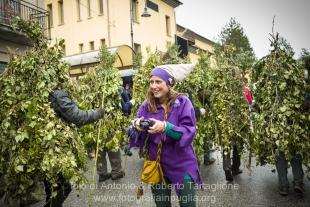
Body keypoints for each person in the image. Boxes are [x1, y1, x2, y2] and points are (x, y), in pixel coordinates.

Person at [127, 63, 203, 207]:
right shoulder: (146, 105)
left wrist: (166, 127)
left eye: (158, 82)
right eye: (151, 82)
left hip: (182, 161)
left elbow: (189, 131)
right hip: (157, 162)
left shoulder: (183, 102)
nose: (154, 86)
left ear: (169, 83)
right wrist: (135, 125)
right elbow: (131, 132)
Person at [46, 89, 105, 207]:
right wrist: (98, 113)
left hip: (48, 145)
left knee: (52, 184)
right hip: (57, 147)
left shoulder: (46, 91)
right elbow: (78, 117)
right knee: (63, 188)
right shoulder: (57, 94)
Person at [96, 86, 134, 182]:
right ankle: (116, 172)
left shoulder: (93, 89)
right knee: (113, 149)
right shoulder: (117, 89)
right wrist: (131, 103)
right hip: (110, 124)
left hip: (94, 126)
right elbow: (125, 108)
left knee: (99, 151)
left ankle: (102, 173)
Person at [187, 90, 216, 165]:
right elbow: (189, 109)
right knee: (202, 139)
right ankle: (200, 161)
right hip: (194, 121)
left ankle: (205, 159)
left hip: (198, 121)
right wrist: (199, 111)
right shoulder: (187, 89)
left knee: (204, 137)